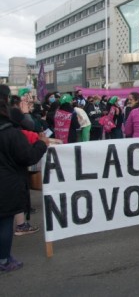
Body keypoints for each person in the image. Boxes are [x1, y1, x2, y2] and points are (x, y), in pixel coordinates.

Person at [0, 92, 49, 273]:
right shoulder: (12, 134)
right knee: (5, 222)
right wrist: (42, 144)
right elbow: (28, 157)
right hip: (7, 185)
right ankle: (4, 260)